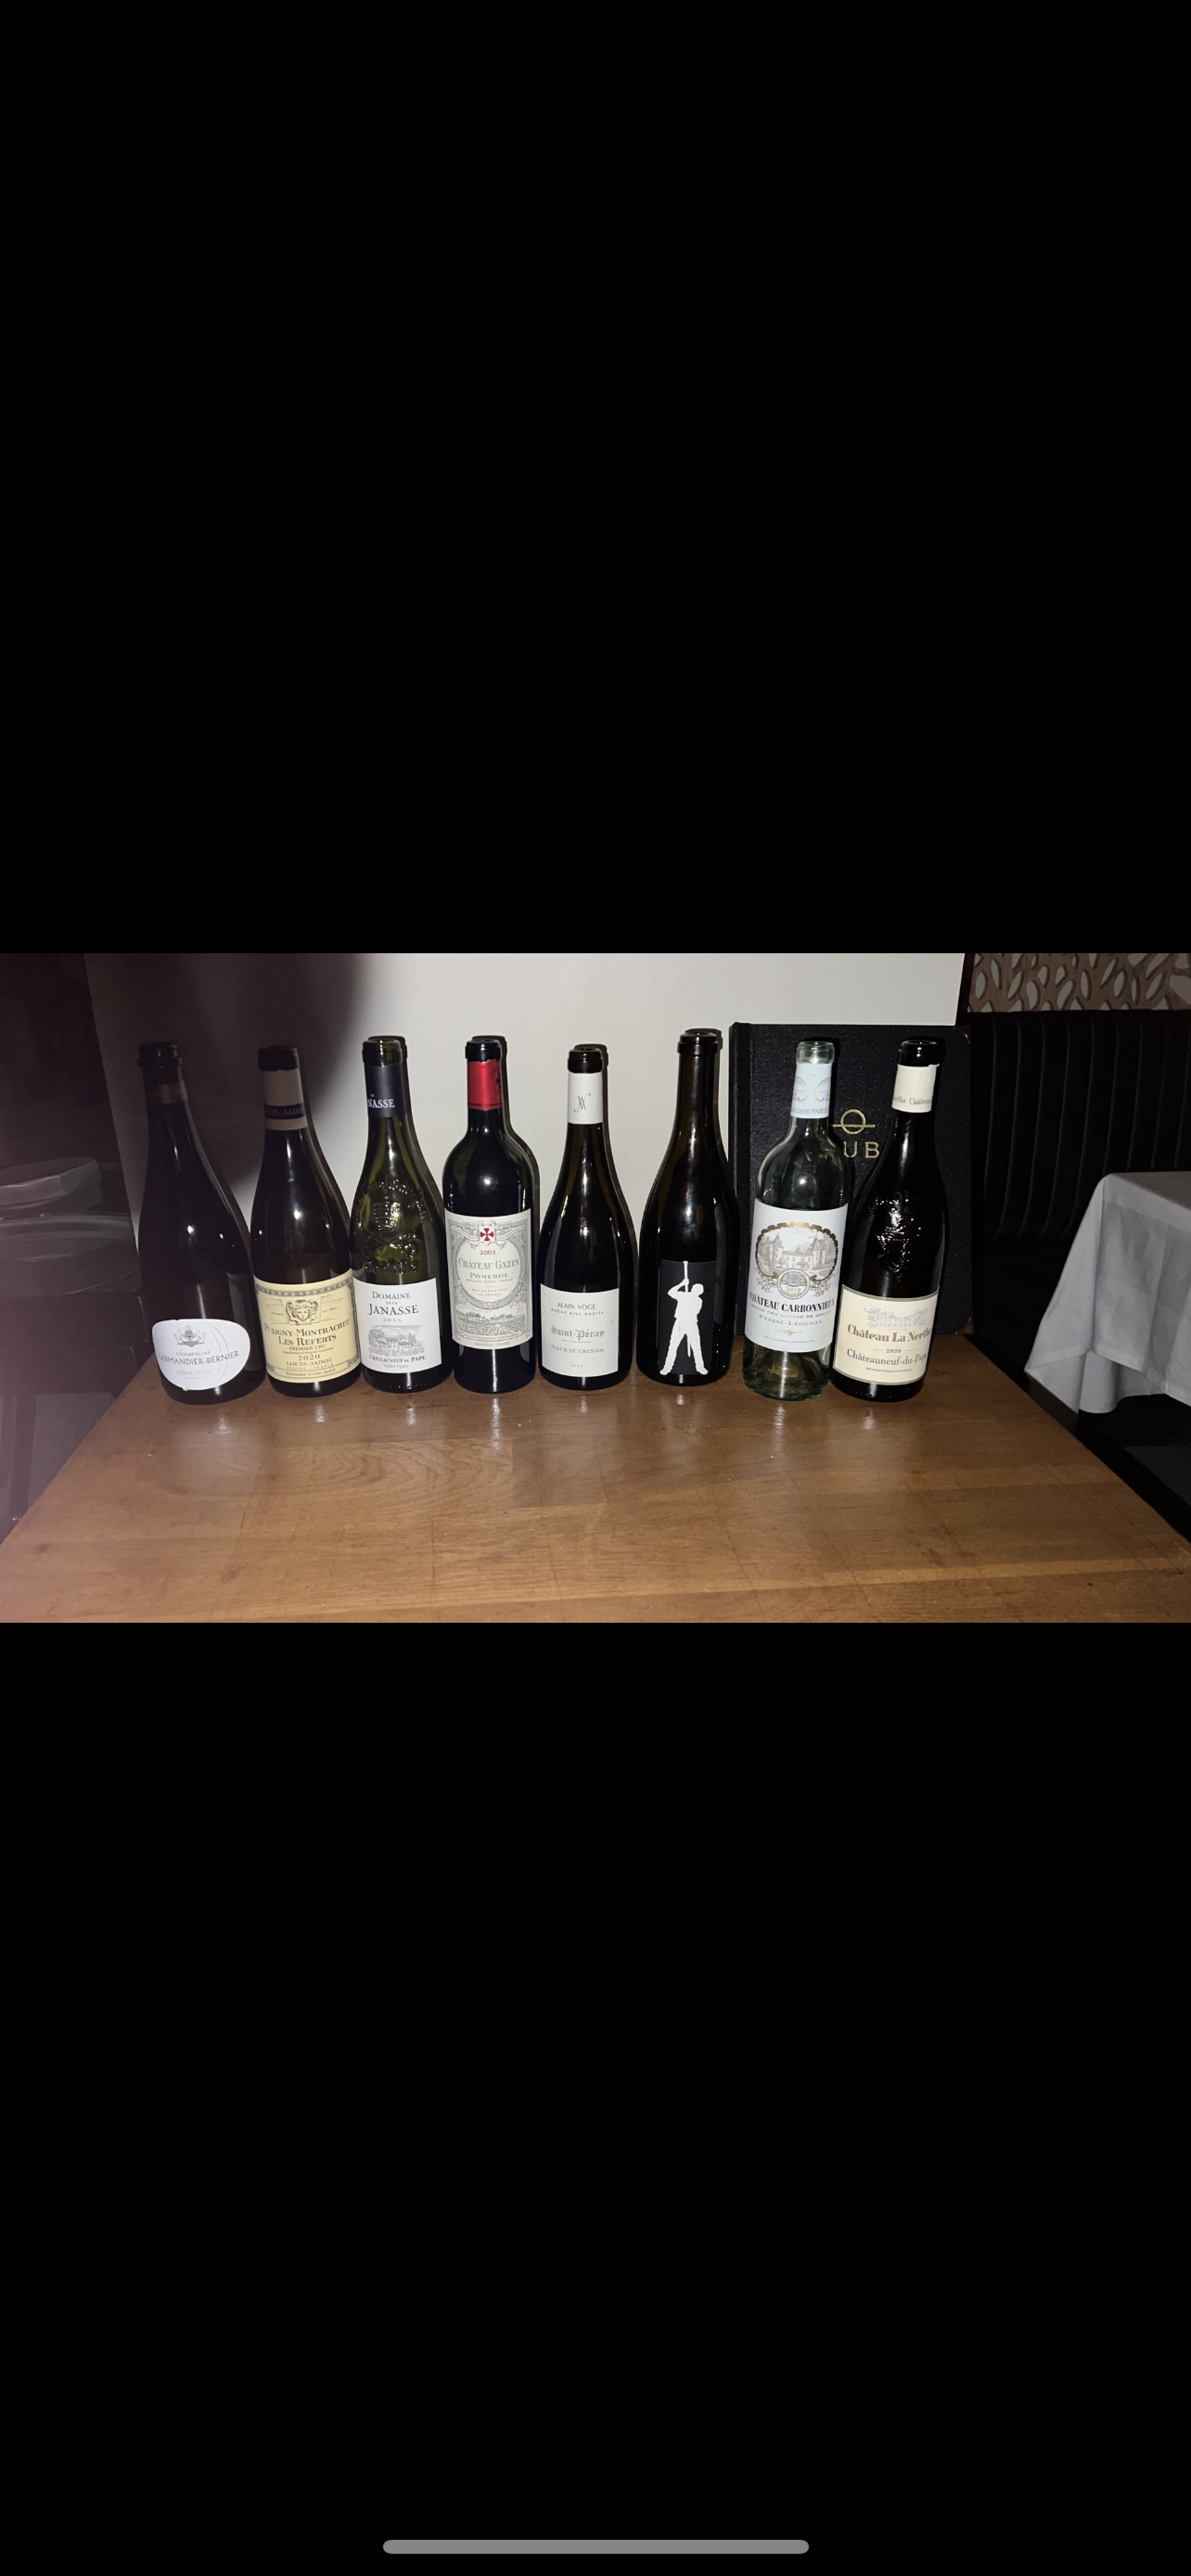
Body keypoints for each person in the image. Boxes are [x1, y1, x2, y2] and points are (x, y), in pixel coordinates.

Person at [662, 1264, 707, 1375]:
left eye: (699, 1290)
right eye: (697, 1289)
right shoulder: (684, 1296)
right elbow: (670, 1293)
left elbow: (695, 1311)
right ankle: (667, 1368)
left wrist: (683, 1288)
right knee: (673, 1345)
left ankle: (700, 1367)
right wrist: (681, 1284)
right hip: (680, 1322)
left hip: (690, 1323)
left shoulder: (697, 1300)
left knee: (696, 1346)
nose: (698, 1291)